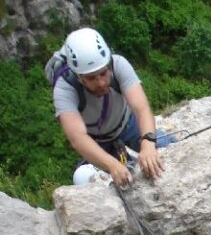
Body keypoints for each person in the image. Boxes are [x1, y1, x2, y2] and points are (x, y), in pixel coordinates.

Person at [53, 27, 174, 188]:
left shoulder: (118, 64)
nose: (101, 82)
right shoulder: (65, 88)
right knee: (84, 177)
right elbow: (78, 138)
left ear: (108, 65)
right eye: (91, 78)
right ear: (78, 76)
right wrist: (112, 165)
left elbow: (141, 109)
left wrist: (148, 143)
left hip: (127, 124)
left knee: (167, 145)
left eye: (103, 74)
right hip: (96, 142)